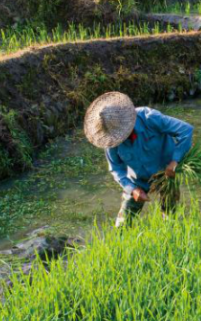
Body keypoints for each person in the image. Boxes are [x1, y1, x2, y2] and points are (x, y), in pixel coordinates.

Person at [83, 91, 194, 227]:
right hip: (137, 180)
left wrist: (174, 161)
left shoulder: (149, 118)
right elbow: (116, 169)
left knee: (171, 219)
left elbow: (186, 130)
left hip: (166, 173)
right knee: (122, 225)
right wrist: (132, 189)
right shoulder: (110, 139)